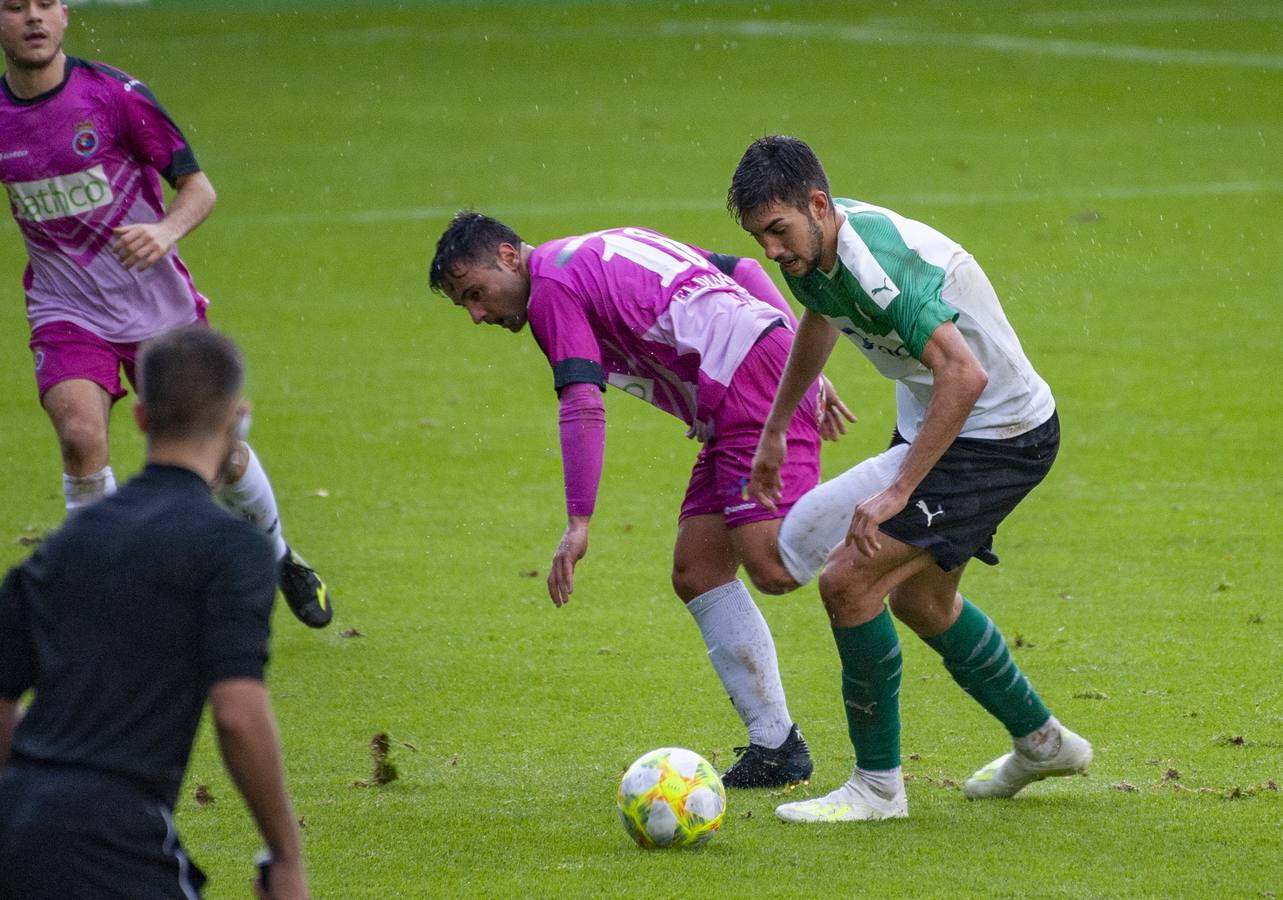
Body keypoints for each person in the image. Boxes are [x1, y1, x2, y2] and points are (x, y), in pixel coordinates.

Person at [728, 135, 1092, 822]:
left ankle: (876, 788)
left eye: (776, 232)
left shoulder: (874, 262)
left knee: (847, 580)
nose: (771, 252)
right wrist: (778, 425)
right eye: (759, 238)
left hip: (999, 437)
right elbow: (820, 313)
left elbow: (964, 373)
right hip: (946, 423)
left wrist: (895, 492)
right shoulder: (810, 248)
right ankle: (1043, 743)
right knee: (921, 603)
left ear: (816, 203)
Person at [429, 212, 860, 787]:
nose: (478, 314)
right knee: (698, 569)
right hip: (740, 388)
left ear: (509, 256)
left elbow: (583, 401)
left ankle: (898, 497)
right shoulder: (600, 244)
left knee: (774, 568)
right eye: (466, 305)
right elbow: (744, 270)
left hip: (745, 386)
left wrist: (578, 522)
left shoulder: (550, 290)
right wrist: (795, 359)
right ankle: (777, 746)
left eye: (476, 294)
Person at [0, 0, 331, 628]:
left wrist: (165, 231)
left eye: (45, 3)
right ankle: (102, 594)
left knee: (221, 458)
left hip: (159, 310)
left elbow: (198, 189)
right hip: (65, 308)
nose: (33, 18)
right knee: (79, 435)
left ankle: (279, 553)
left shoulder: (116, 96)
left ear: (66, 15)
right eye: (16, 6)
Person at [0, 326, 308, 899]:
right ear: (237, 420)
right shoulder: (230, 549)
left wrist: (29, 800)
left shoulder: (69, 542)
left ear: (140, 418)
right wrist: (286, 857)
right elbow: (238, 714)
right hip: (116, 838)